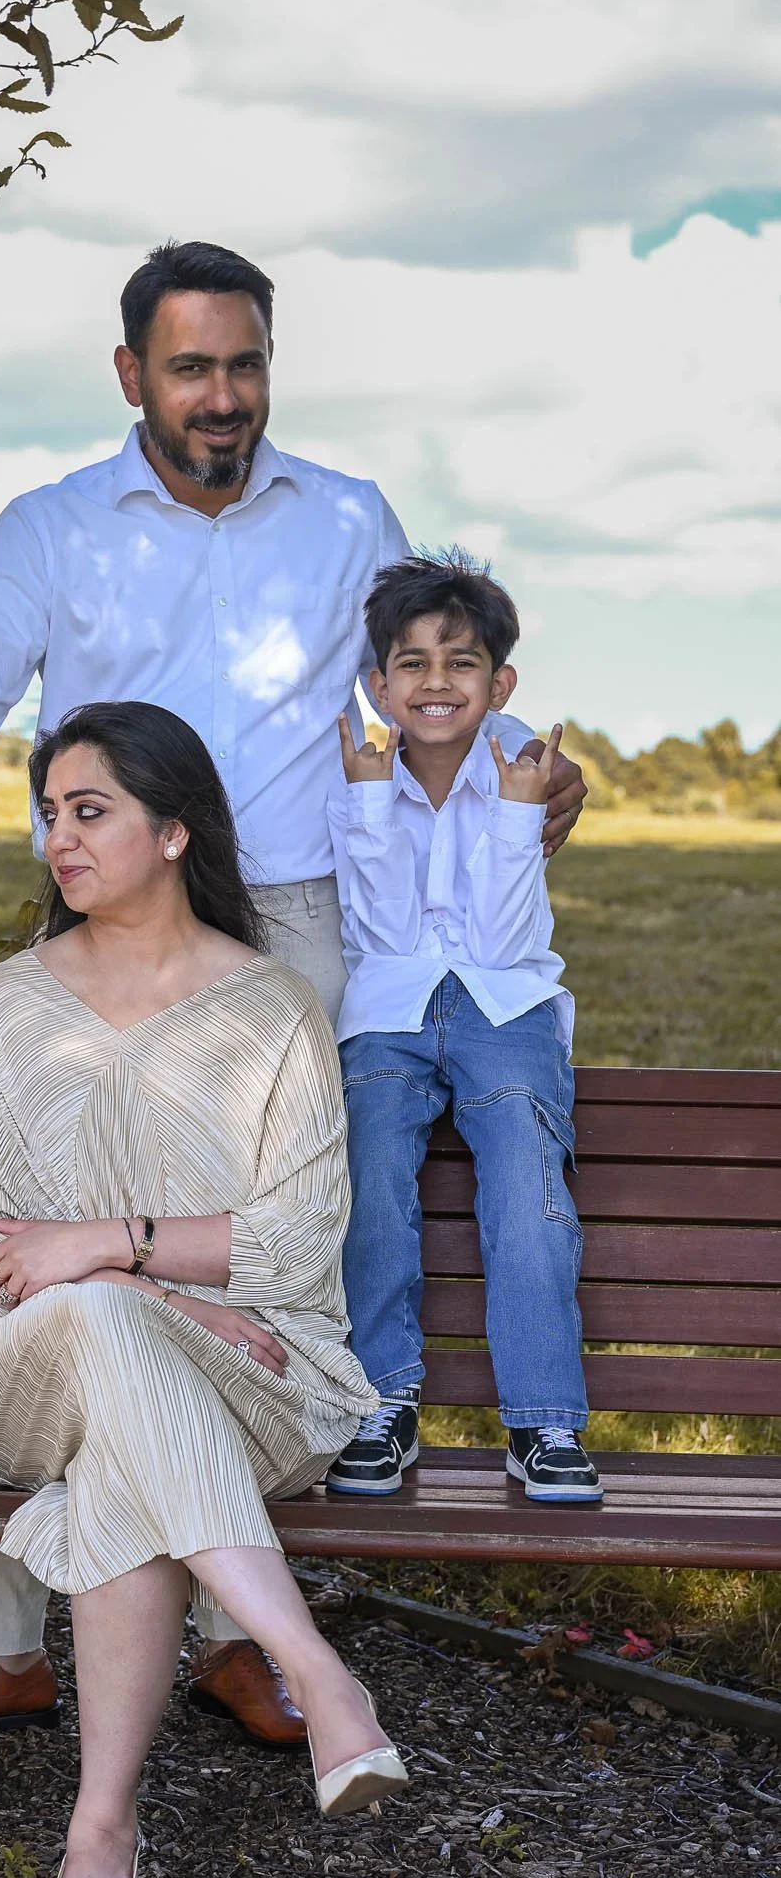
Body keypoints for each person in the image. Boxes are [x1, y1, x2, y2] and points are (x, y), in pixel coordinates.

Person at [0, 238, 589, 1753]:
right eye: (189, 368)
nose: (220, 397)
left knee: (256, 1267)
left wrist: (529, 786)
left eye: (243, 365)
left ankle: (242, 1631)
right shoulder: (52, 530)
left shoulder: (345, 515)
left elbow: (434, 664)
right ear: (130, 378)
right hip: (103, 898)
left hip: (299, 919)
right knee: (49, 1250)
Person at [0, 700, 407, 1878]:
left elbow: (297, 1245)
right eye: (49, 816)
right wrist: (134, 1279)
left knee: (119, 1449)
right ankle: (316, 1672)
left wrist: (97, 1244)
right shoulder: (10, 1003)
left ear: (177, 831)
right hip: (23, 1371)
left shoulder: (274, 1008)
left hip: (259, 1380)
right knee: (105, 1331)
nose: (58, 842)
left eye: (90, 812)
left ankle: (102, 1830)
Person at [326, 553, 600, 1504]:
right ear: (378, 683)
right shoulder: (358, 774)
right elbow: (384, 937)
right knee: (368, 1181)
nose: (435, 683)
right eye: (411, 664)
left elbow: (497, 938)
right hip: (389, 1011)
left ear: (499, 683)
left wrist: (517, 822)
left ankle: (543, 1421)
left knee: (526, 1194)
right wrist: (367, 804)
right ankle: (380, 1402)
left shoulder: (517, 770)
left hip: (506, 1007)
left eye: (461, 663)